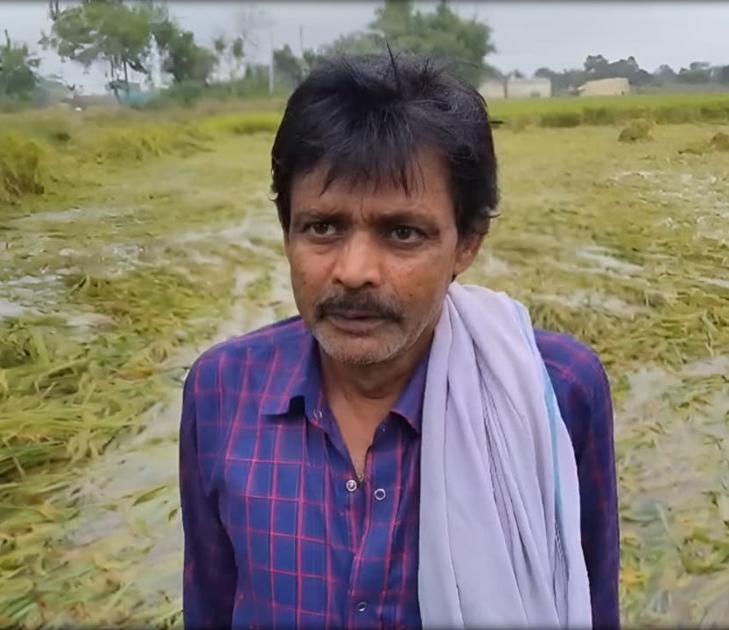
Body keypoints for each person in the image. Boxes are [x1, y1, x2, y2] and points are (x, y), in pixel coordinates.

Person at [178, 51, 620, 630]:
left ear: (467, 243)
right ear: (287, 231)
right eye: (322, 227)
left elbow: (588, 601)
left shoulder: (552, 394)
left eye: (403, 232)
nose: (355, 271)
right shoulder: (221, 390)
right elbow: (209, 603)